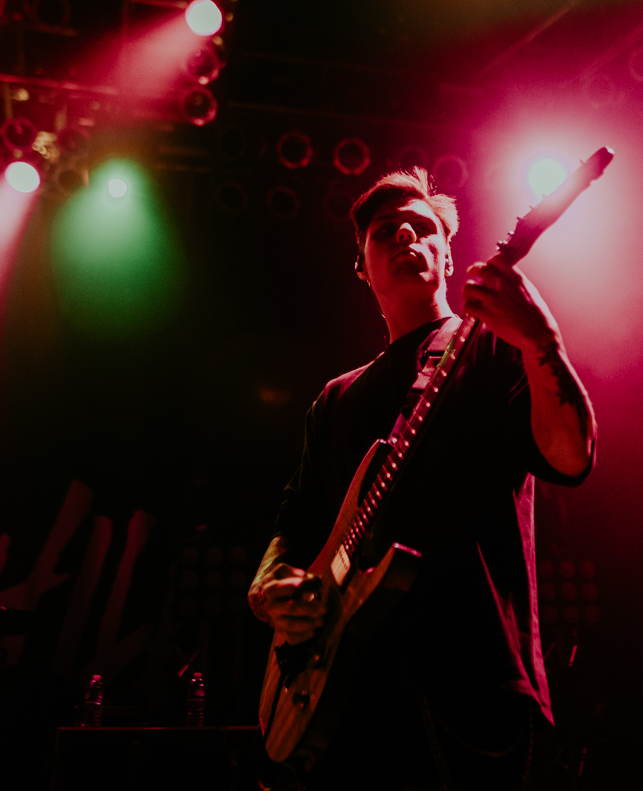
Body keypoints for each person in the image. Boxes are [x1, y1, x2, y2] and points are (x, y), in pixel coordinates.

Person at [249, 167, 596, 790]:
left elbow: (572, 458)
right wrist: (269, 586)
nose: (407, 237)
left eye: (422, 228)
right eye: (386, 231)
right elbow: (295, 520)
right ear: (361, 266)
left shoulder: (493, 347)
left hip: (471, 687)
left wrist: (542, 340)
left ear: (448, 255)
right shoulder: (335, 401)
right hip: (344, 698)